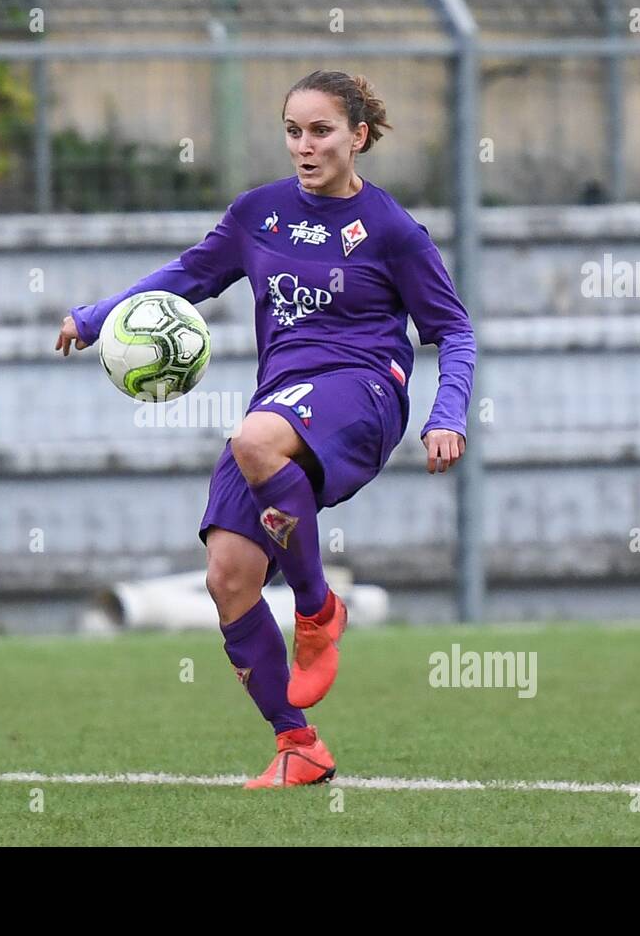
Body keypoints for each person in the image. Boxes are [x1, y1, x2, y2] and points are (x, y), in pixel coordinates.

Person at [56, 70, 476, 788]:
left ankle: (317, 610)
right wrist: (97, 318)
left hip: (366, 390)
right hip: (281, 404)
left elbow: (454, 330)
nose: (305, 146)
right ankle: (297, 745)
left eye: (321, 131)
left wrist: (449, 414)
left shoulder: (393, 231)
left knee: (253, 441)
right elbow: (190, 275)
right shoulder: (259, 215)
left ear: (358, 137)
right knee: (228, 577)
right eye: (293, 131)